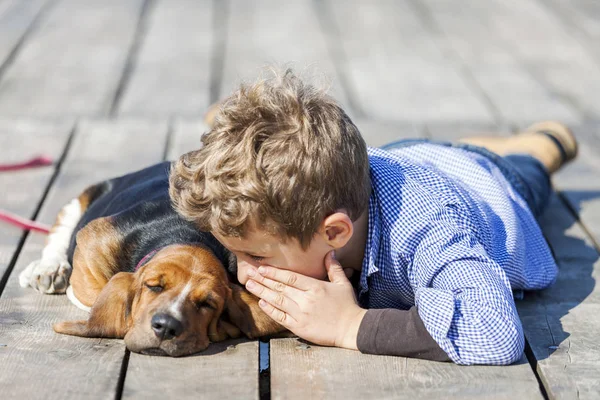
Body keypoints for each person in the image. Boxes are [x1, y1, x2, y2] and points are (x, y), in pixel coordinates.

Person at [169, 69, 577, 365]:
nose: (242, 273)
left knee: (527, 167)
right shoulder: (301, 208)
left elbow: (495, 331)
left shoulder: (428, 233)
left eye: (257, 256)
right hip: (392, 157)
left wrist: (351, 325)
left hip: (487, 183)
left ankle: (543, 143)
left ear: (333, 232)